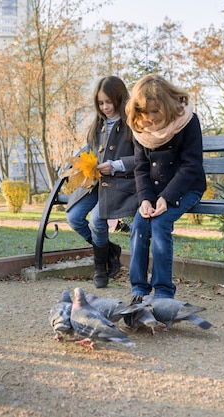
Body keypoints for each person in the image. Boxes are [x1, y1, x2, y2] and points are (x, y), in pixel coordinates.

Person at [126, 74, 206, 301]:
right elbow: (141, 168)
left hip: (186, 188)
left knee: (160, 223)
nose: (151, 120)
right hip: (153, 193)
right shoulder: (140, 132)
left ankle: (163, 292)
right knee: (139, 225)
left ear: (168, 106)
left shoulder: (188, 121)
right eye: (145, 115)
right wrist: (145, 200)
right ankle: (139, 290)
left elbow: (191, 165)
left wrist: (167, 198)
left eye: (156, 113)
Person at [65, 75, 138, 289]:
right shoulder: (98, 125)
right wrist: (77, 164)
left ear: (120, 98)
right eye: (100, 103)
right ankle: (110, 251)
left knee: (97, 219)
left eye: (108, 102)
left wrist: (115, 165)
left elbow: (141, 158)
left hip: (122, 184)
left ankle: (100, 268)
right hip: (97, 183)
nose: (105, 107)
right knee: (74, 217)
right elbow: (90, 149)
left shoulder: (131, 124)